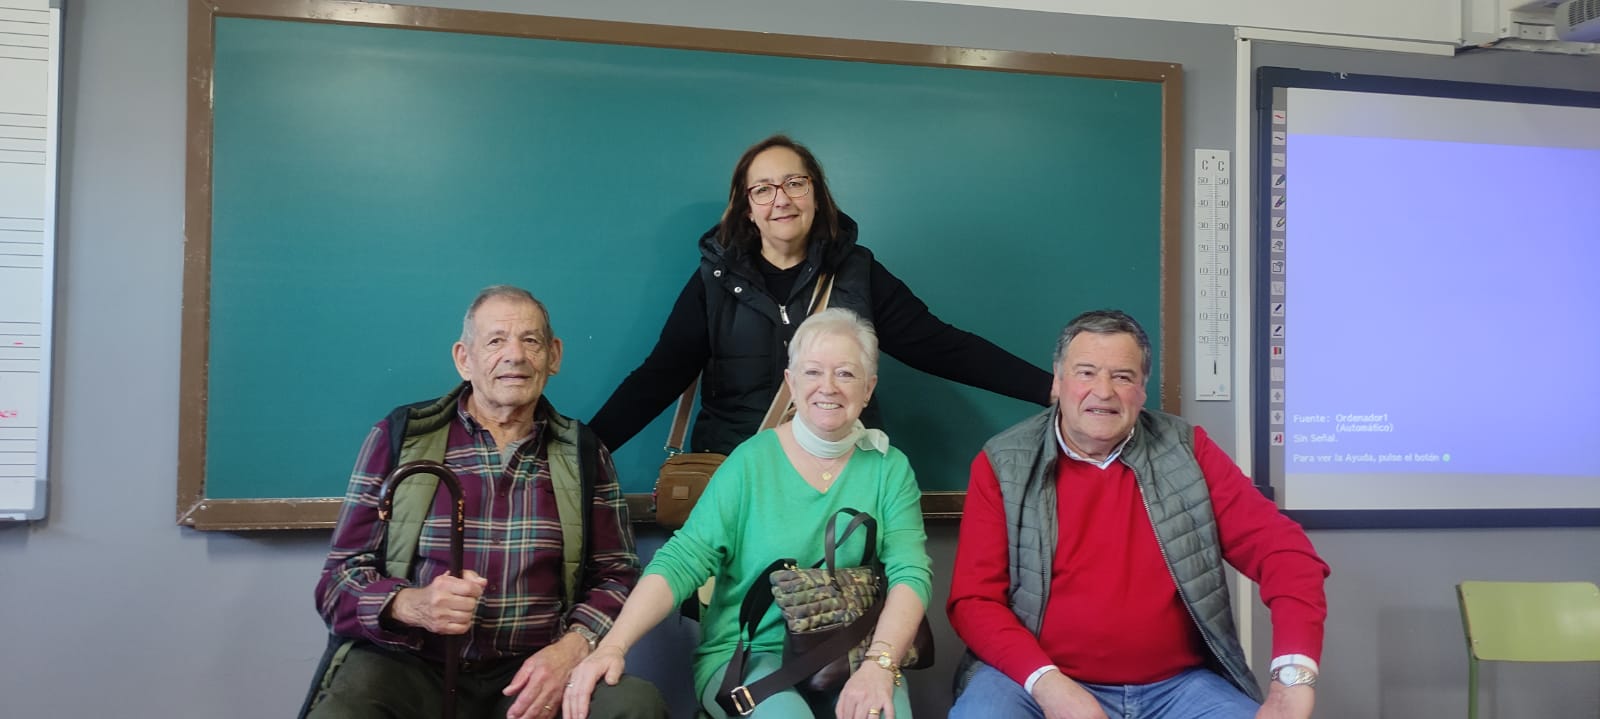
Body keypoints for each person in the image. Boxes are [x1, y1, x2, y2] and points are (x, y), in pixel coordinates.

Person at [946, 310, 1330, 719]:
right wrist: (1049, 684)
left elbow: (1286, 555)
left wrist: (1293, 676)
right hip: (1034, 681)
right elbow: (974, 600)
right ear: (1057, 381)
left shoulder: (1188, 452)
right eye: (1086, 373)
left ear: (1142, 390)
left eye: (1123, 376)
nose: (1104, 391)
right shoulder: (1003, 462)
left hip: (1178, 688)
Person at [309, 286, 668, 719]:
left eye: (530, 341)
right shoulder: (402, 438)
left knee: (634, 705)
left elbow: (616, 575)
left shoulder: (583, 453)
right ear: (464, 359)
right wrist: (411, 605)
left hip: (531, 672)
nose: (515, 355)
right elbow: (338, 583)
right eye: (496, 341)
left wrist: (574, 646)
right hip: (412, 665)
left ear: (554, 356)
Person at [564, 308, 934, 719]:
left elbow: (910, 574)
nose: (828, 387)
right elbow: (683, 560)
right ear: (791, 383)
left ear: (869, 388)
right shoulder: (750, 462)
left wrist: (880, 664)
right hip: (747, 652)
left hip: (850, 652)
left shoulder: (889, 468)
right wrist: (614, 645)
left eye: (845, 373)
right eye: (812, 372)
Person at [588, 134, 1051, 456]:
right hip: (736, 479)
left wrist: (1051, 389)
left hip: (839, 480)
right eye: (763, 189)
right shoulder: (714, 281)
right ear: (747, 208)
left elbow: (943, 347)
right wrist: (584, 453)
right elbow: (659, 377)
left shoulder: (858, 273)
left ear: (816, 194)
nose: (781, 200)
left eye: (795, 183)